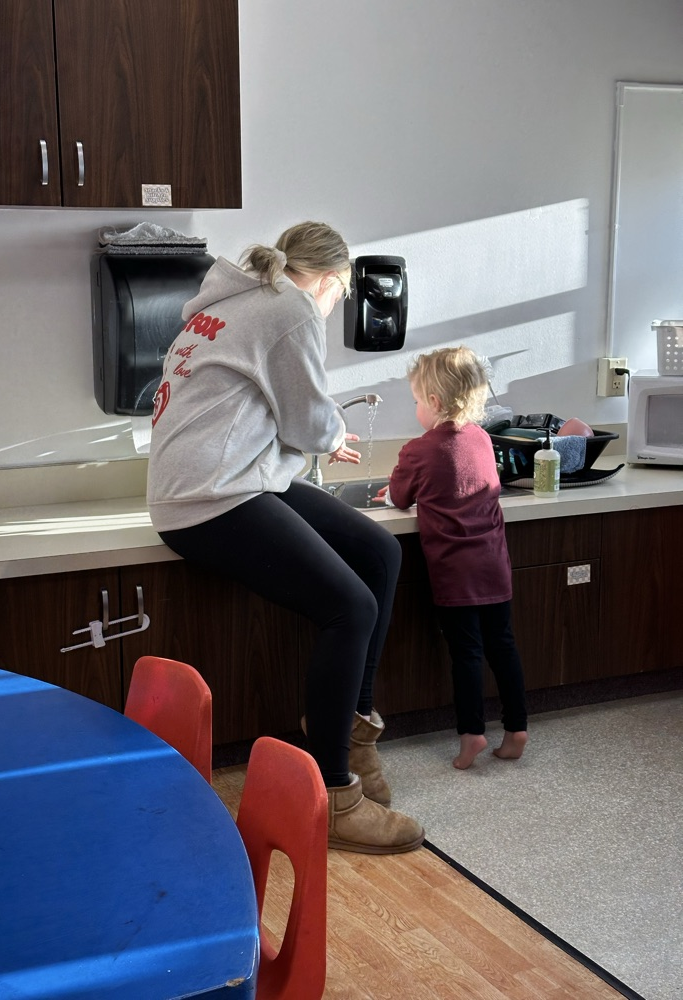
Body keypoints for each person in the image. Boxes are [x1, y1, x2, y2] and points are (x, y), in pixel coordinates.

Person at [147, 220, 424, 854]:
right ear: (332, 280)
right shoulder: (291, 308)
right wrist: (329, 436)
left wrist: (322, 435)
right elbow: (305, 415)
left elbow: (276, 413)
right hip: (212, 495)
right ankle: (331, 795)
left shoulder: (238, 301)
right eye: (340, 295)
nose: (335, 306)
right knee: (349, 605)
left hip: (229, 478)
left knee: (380, 552)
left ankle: (348, 731)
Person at [379, 346, 528, 769]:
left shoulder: (419, 450)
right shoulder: (482, 438)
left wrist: (388, 494)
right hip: (494, 566)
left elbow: (401, 495)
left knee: (466, 654)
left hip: (455, 575)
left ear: (435, 402)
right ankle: (517, 729)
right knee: (502, 646)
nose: (414, 409)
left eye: (415, 400)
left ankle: (472, 736)